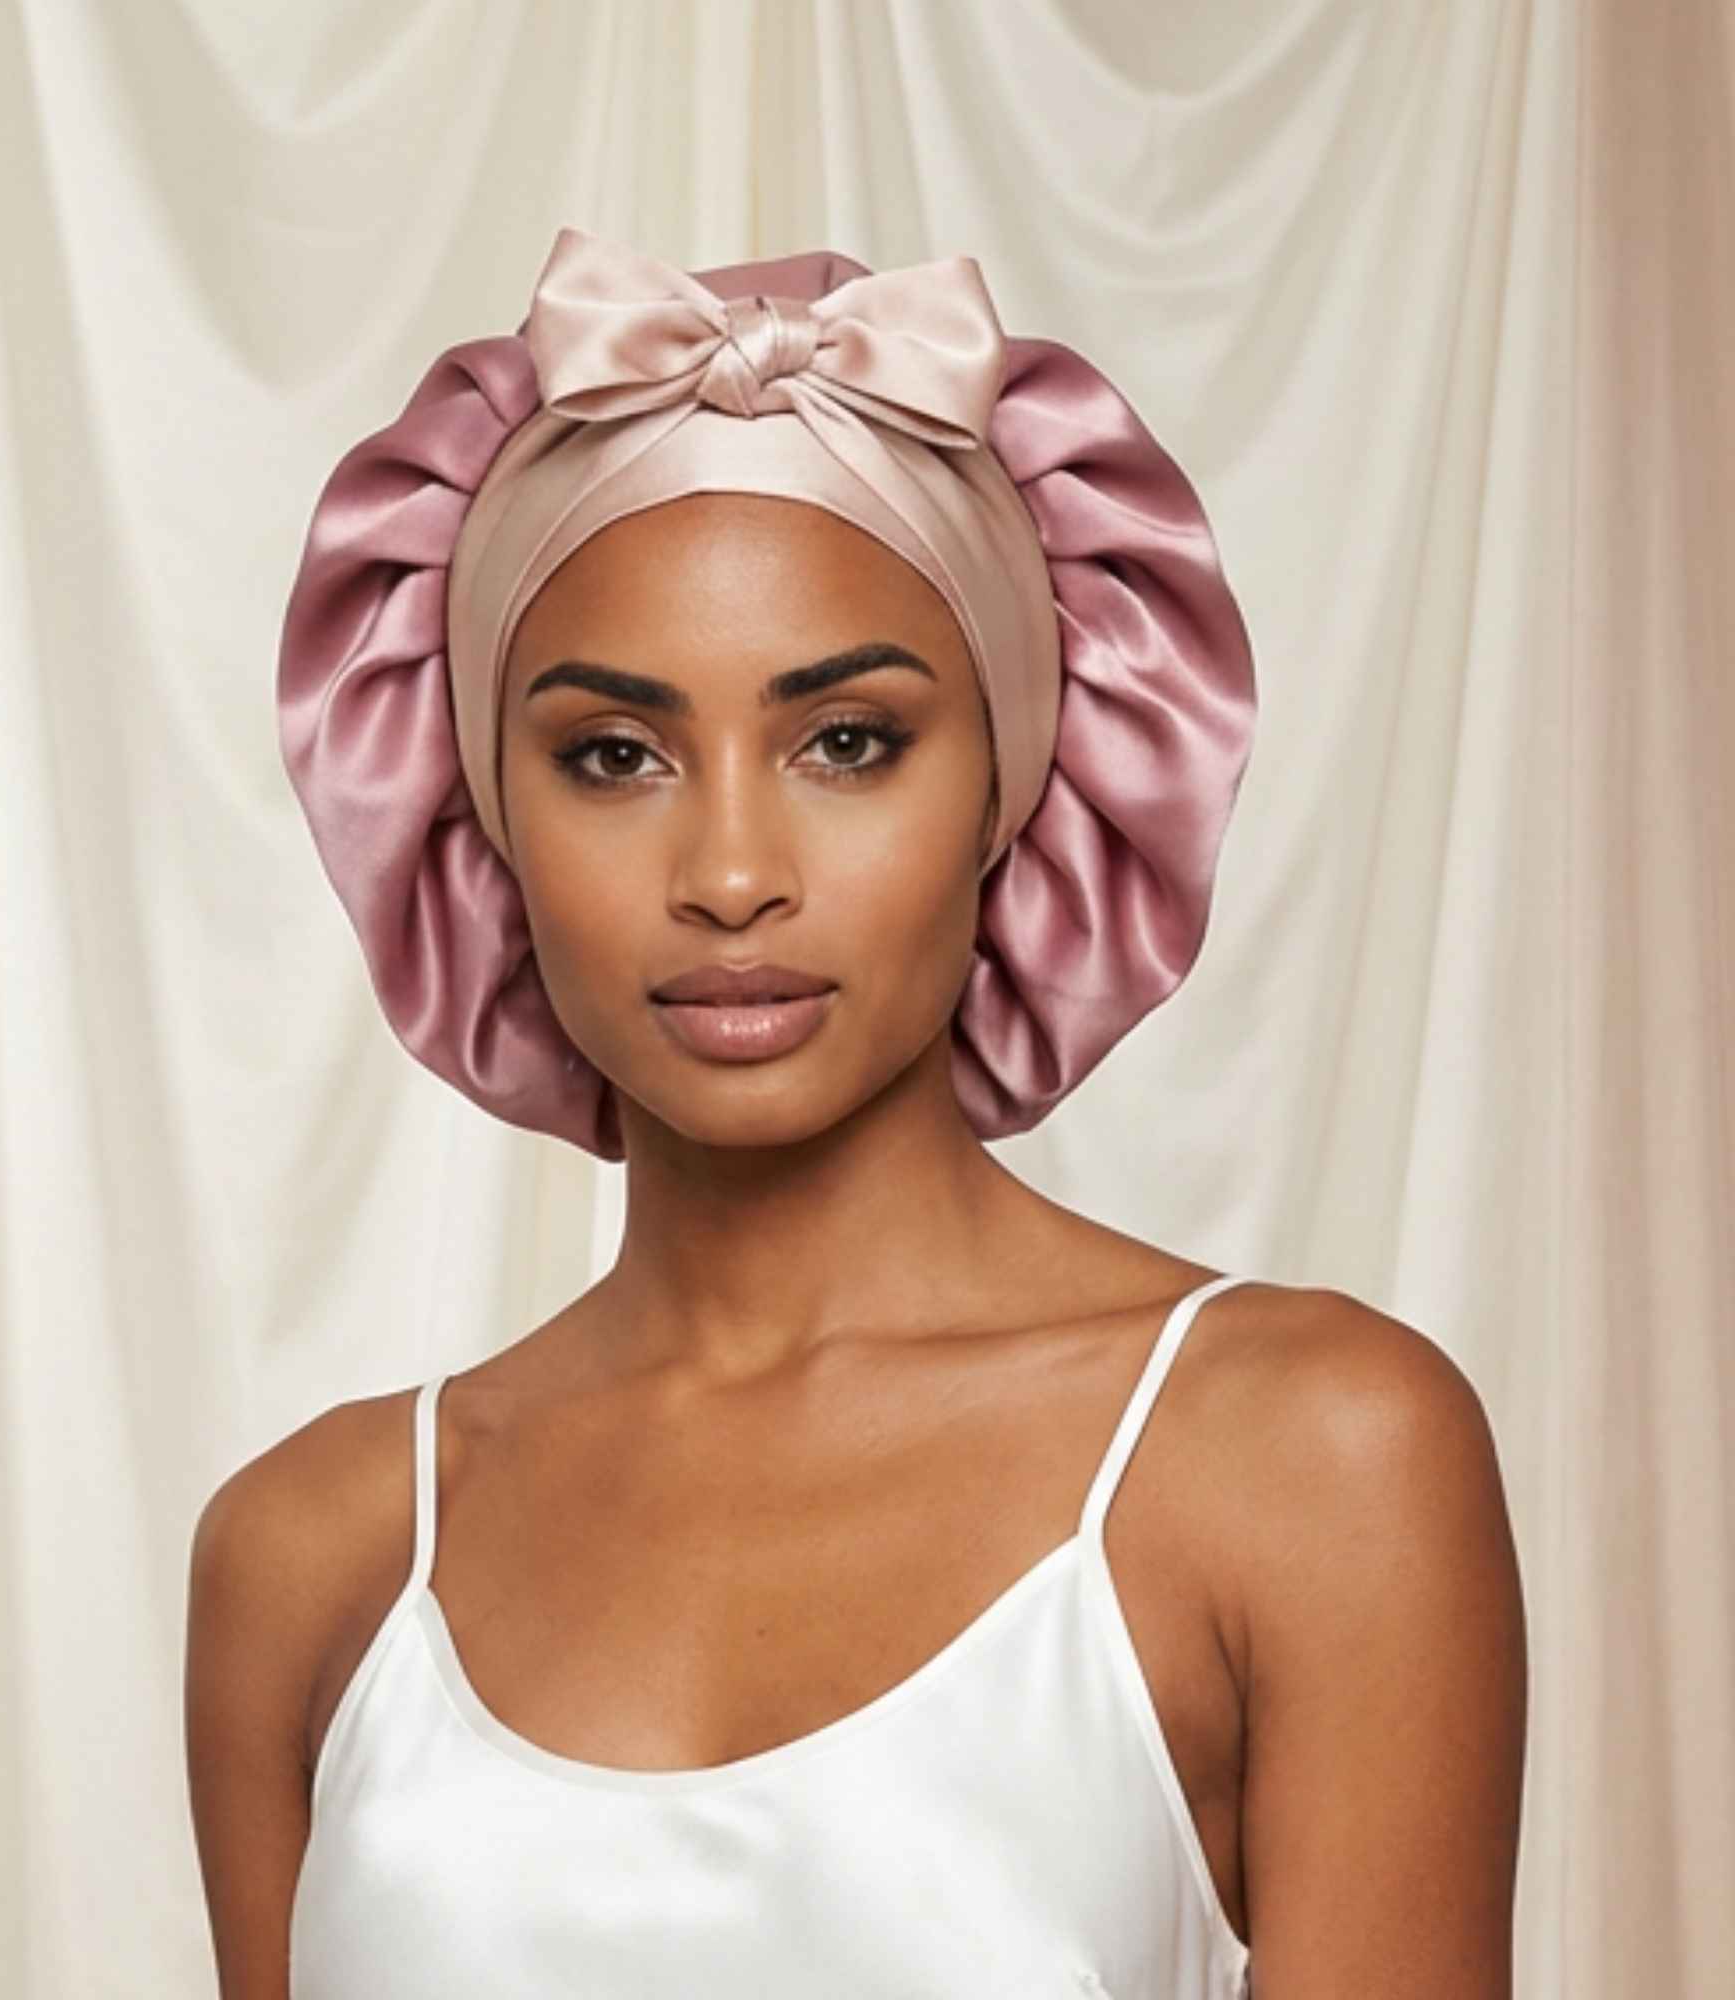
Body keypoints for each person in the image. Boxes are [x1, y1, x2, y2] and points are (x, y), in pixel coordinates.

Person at [186, 227, 1527, 1998]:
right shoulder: (312, 1558)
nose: (731, 872)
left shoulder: (1308, 1458)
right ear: (479, 811)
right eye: (612, 756)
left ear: (1017, 777)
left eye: (849, 742)